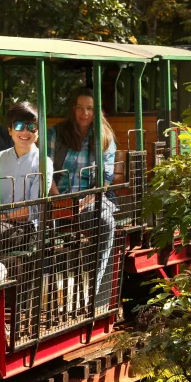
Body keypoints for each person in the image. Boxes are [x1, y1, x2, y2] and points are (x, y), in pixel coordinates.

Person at [46, 87, 117, 309]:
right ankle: (43, 293)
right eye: (80, 108)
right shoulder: (56, 133)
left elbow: (105, 178)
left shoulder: (104, 137)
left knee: (106, 223)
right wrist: (58, 200)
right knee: (38, 228)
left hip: (90, 200)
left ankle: (93, 294)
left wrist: (87, 200)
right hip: (57, 198)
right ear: (72, 109)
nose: (84, 113)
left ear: (97, 112)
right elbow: (46, 170)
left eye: (89, 108)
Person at [0, 102, 52, 218]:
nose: (25, 131)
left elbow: (36, 208)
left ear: (38, 132)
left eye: (32, 126)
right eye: (18, 125)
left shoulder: (43, 162)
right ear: (10, 130)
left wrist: (4, 218)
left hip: (27, 228)